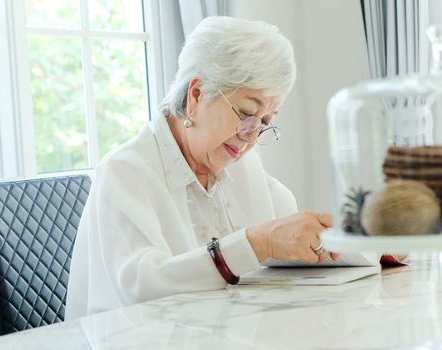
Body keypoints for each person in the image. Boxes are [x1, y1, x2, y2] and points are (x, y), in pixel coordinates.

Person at [66, 16, 338, 318]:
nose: (250, 137)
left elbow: (286, 225)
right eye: (246, 113)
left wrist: (354, 248)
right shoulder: (124, 171)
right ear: (197, 94)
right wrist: (255, 243)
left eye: (265, 123)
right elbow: (143, 289)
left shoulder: (240, 163)